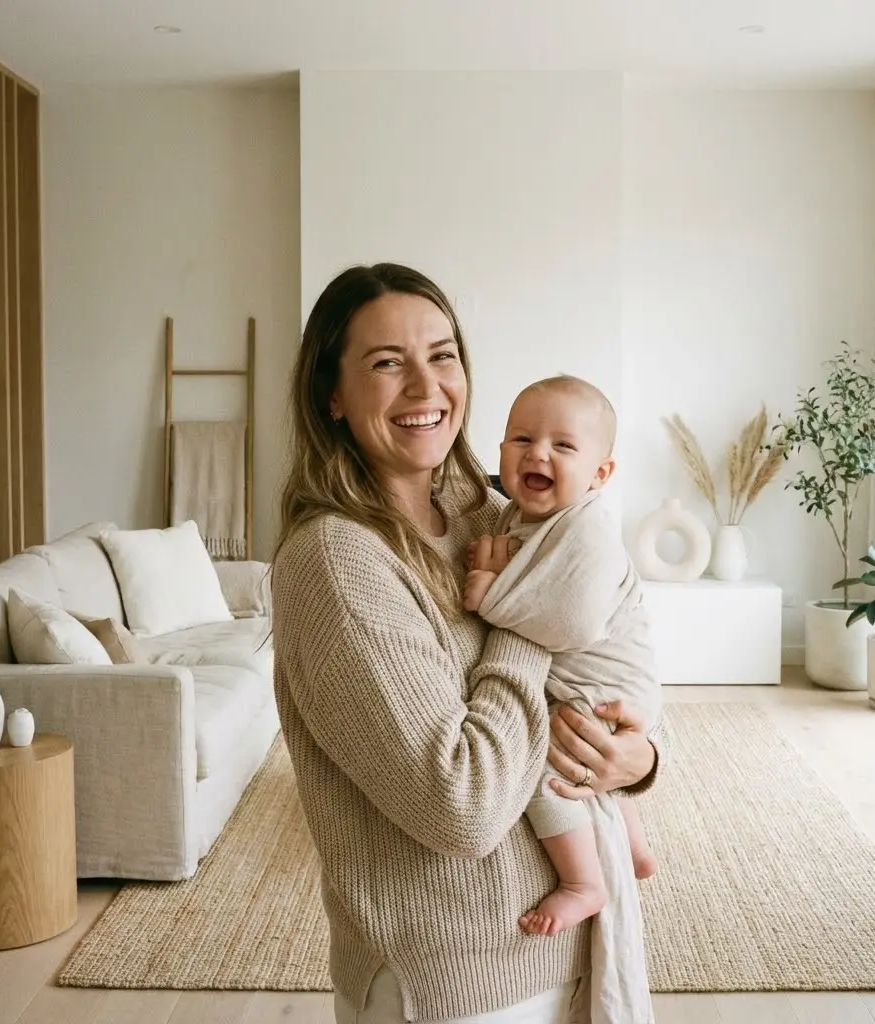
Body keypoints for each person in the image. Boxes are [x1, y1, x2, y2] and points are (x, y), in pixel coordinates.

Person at [271, 262, 668, 1023]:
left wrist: (641, 756)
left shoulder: (487, 511)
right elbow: (463, 807)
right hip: (455, 986)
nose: (426, 388)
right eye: (387, 364)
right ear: (332, 396)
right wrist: (523, 623)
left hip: (572, 949)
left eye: (442, 355)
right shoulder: (337, 561)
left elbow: (614, 641)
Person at [462, 375, 662, 942]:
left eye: (564, 446)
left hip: (606, 680)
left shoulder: (589, 528)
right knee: (586, 754)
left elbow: (569, 622)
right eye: (520, 439)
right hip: (600, 680)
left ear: (601, 474)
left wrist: (488, 596)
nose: (537, 453)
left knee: (548, 767)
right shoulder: (516, 516)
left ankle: (582, 882)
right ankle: (634, 845)